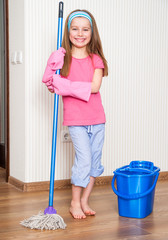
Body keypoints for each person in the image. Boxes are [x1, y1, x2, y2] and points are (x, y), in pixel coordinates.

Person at [42, 9, 108, 219]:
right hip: (76, 119)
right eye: (75, 28)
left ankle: (84, 201)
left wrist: (65, 85)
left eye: (85, 29)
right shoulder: (63, 59)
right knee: (84, 160)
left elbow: (95, 87)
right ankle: (74, 203)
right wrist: (55, 76)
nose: (80, 33)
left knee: (94, 162)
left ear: (92, 32)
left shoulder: (96, 59)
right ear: (68, 31)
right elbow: (50, 84)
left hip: (97, 119)